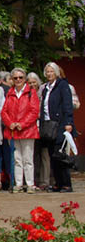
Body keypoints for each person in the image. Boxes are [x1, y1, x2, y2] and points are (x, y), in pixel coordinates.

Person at [0, 68, 40, 193]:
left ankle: (30, 184)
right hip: (13, 131)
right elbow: (4, 111)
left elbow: (34, 111)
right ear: (12, 79)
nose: (18, 80)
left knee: (28, 159)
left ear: (25, 79)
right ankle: (18, 184)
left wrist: (21, 124)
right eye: (15, 78)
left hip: (27, 130)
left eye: (20, 78)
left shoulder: (31, 93)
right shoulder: (10, 92)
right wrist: (10, 123)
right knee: (17, 159)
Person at [40, 62, 75, 193]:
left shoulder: (62, 85)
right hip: (49, 125)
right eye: (47, 71)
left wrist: (69, 122)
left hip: (60, 124)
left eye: (51, 71)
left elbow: (67, 105)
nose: (49, 74)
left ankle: (66, 184)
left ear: (56, 73)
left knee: (60, 154)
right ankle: (57, 183)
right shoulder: (46, 88)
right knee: (52, 155)